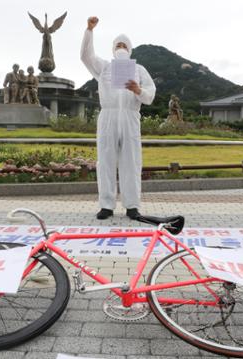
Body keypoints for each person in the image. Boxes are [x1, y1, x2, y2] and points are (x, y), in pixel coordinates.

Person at [80, 16, 156, 220]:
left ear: (130, 49)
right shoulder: (104, 67)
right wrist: (89, 31)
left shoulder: (139, 70)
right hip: (108, 117)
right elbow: (86, 57)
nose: (121, 47)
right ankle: (106, 205)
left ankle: (132, 206)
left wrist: (138, 90)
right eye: (118, 45)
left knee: (131, 161)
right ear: (114, 49)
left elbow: (151, 94)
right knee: (105, 160)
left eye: (124, 45)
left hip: (131, 117)